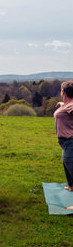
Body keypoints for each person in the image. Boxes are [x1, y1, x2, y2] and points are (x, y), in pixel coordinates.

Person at [54, 81, 73, 210]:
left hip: (71, 142)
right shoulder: (67, 105)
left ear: (63, 92)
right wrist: (62, 105)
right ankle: (71, 186)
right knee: (66, 165)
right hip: (65, 142)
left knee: (71, 166)